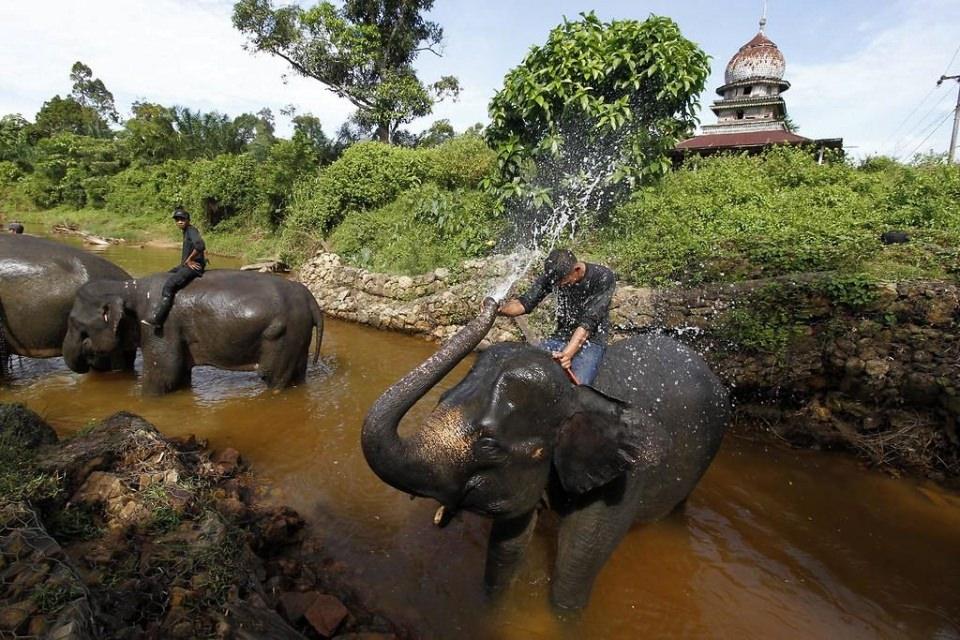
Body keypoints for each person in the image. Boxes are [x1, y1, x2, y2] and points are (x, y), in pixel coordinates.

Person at [498, 248, 616, 386]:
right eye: (556, 283)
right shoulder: (554, 276)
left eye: (563, 281)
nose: (559, 285)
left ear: (576, 269)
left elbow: (588, 322)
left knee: (578, 388)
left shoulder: (603, 277)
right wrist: (497, 310)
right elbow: (524, 304)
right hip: (560, 337)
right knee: (524, 372)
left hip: (591, 341)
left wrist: (567, 354)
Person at [142, 207, 206, 330]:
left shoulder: (191, 230)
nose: (180, 221)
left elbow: (200, 245)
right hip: (185, 265)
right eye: (177, 219)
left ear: (188, 220)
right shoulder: (186, 231)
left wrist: (190, 259)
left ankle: (158, 319)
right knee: (167, 274)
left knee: (169, 285)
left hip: (194, 266)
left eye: (182, 219)